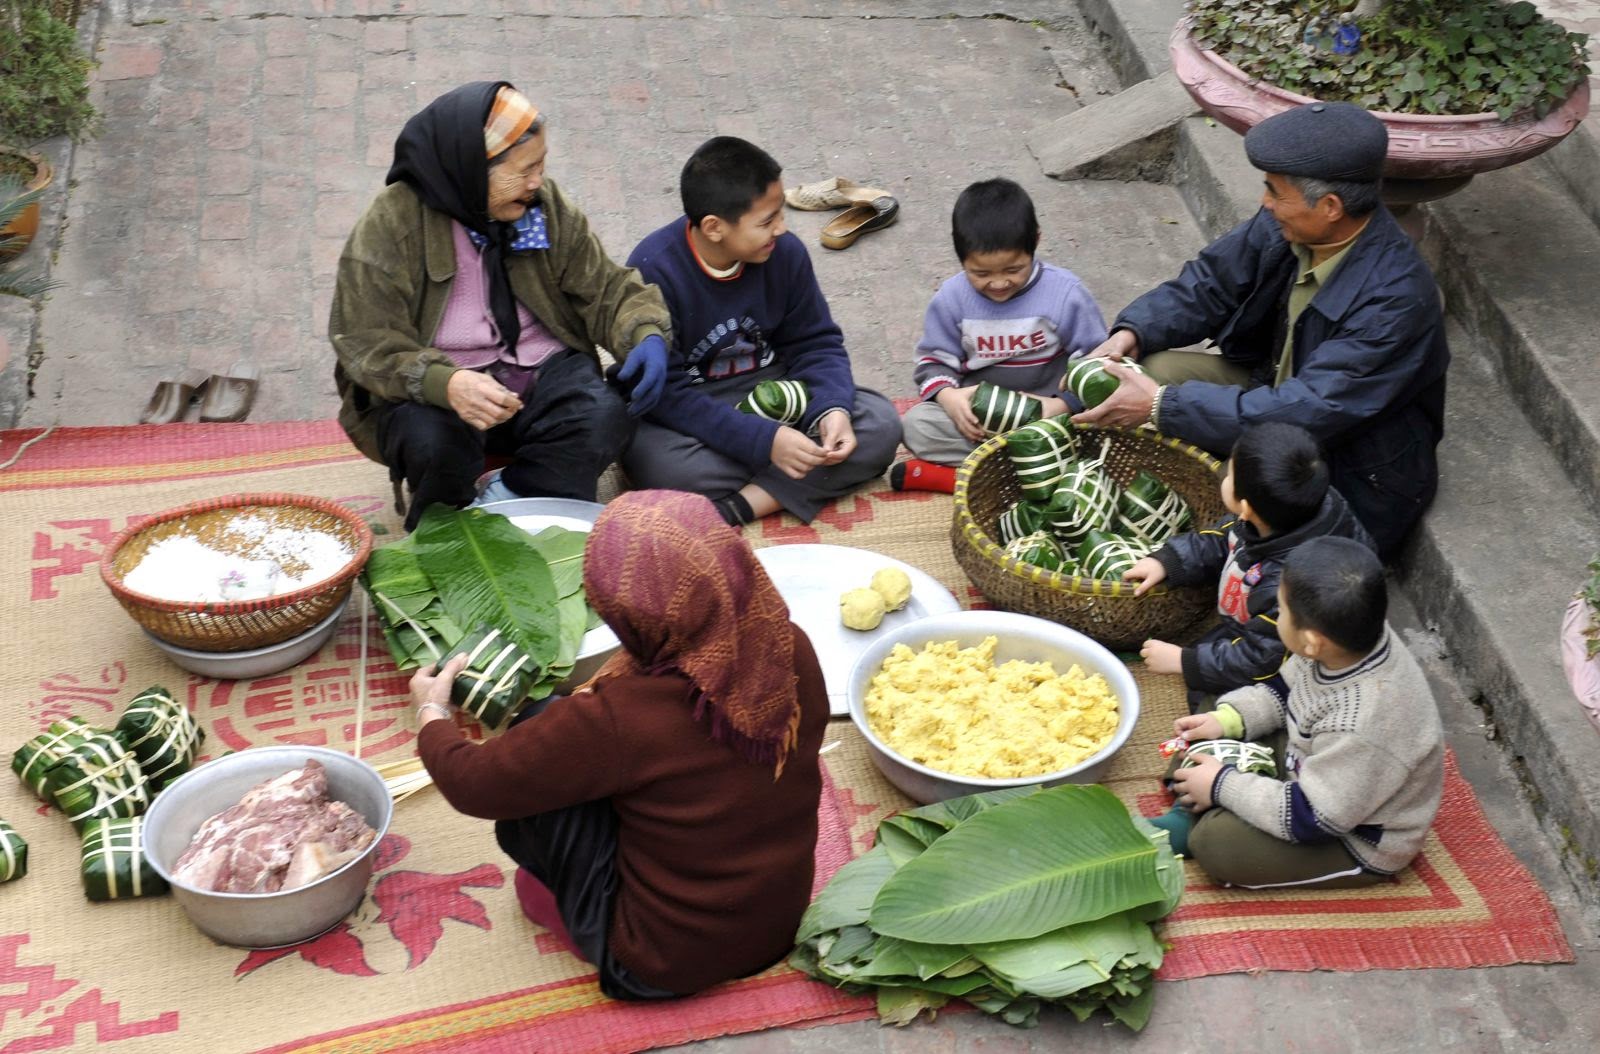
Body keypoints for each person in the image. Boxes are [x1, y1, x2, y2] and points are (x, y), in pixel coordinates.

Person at [409, 490, 829, 998]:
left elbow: (473, 784)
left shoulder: (621, 718)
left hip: (655, 961)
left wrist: (431, 712)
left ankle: (559, 908)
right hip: (777, 925)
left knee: (535, 755)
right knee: (562, 739)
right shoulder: (790, 645)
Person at [1072, 102, 1449, 560]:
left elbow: (1308, 410)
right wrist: (1132, 332)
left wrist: (1160, 406)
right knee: (1152, 367)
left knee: (1241, 498)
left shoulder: (1397, 299)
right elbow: (1208, 284)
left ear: (1330, 206)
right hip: (1270, 389)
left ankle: (1198, 557)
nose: (1264, 203)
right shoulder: (1289, 225)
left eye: (1275, 192)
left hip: (1347, 461)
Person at [329, 82, 672, 530]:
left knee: (604, 414)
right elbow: (363, 341)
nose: (537, 183)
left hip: (538, 369)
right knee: (434, 443)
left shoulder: (542, 206)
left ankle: (514, 493)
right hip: (438, 386)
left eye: (542, 166)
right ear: (473, 169)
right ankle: (449, 521)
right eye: (524, 170)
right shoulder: (390, 226)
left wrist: (644, 330)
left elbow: (606, 287)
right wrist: (444, 383)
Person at [622, 136, 902, 527]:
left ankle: (740, 506)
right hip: (697, 405)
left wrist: (832, 408)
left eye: (780, 214)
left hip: (781, 394)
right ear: (714, 227)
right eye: (767, 221)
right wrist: (764, 442)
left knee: (881, 425)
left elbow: (816, 342)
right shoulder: (654, 270)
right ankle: (794, 479)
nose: (782, 229)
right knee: (658, 465)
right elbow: (666, 394)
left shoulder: (785, 254)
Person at [1159, 536, 1444, 889]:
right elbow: (1286, 689)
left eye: (1281, 610)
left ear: (1311, 642)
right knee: (1219, 705)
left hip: (1347, 833)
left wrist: (1222, 785)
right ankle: (1200, 795)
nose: (1274, 616)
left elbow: (1312, 818)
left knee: (1217, 846)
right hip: (1312, 761)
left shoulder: (1365, 722)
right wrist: (1228, 721)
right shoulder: (1349, 637)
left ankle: (1200, 805)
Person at [1124, 422, 1373, 712]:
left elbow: (1261, 659)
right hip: (1253, 628)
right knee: (1210, 653)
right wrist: (1169, 561)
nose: (1225, 473)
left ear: (1246, 508)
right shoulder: (1293, 509)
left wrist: (1185, 662)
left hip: (1287, 662)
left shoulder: (1287, 586)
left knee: (1210, 701)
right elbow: (1223, 538)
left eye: (1229, 473)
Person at [892, 178, 1109, 494]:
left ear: (1035, 241)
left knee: (1102, 430)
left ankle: (975, 478)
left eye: (1013, 270)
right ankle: (1035, 472)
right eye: (981, 274)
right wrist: (949, 399)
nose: (998, 283)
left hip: (1048, 417)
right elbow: (932, 365)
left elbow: (1096, 364)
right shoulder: (952, 299)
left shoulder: (1065, 294)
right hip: (982, 423)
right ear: (960, 254)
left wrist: (1061, 406)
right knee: (917, 427)